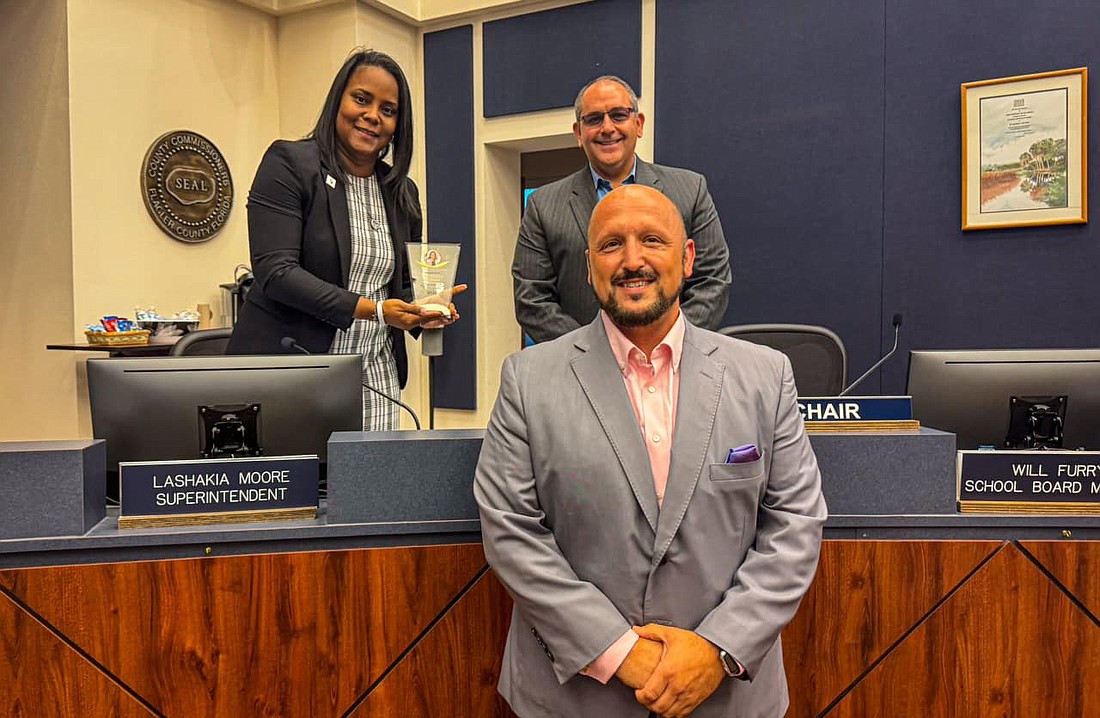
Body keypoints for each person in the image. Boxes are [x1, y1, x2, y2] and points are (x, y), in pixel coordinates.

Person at [476, 185, 826, 718]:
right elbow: (511, 532)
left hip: (725, 694)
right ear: (588, 265)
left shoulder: (765, 374)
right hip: (575, 700)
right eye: (611, 244)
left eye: (652, 240)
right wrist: (620, 653)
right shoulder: (527, 380)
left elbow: (795, 524)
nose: (632, 260)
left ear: (687, 258)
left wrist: (716, 649)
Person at [228, 49, 464, 430]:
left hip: (377, 377)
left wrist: (427, 309)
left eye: (388, 110)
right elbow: (276, 272)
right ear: (338, 100)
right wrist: (376, 310)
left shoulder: (402, 192)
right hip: (296, 374)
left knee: (374, 487)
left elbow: (399, 287)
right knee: (304, 490)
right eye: (362, 99)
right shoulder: (289, 164)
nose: (373, 115)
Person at [511, 75, 731, 343]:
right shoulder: (543, 206)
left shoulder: (690, 190)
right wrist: (595, 352)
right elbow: (532, 299)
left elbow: (713, 282)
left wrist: (662, 342)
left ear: (638, 125)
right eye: (593, 119)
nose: (607, 128)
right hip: (582, 373)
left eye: (618, 115)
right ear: (579, 134)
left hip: (673, 365)